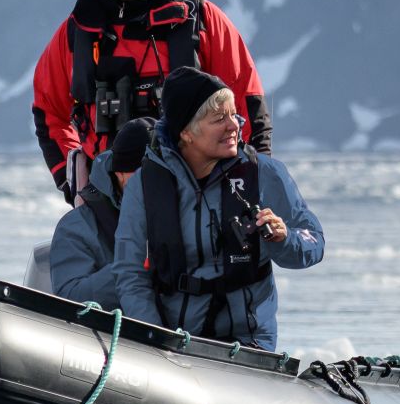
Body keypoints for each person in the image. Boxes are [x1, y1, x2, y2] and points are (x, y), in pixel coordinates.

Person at [31, 0, 274, 204]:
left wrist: (250, 183)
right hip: (108, 198)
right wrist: (72, 180)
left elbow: (247, 102)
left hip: (198, 195)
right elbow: (48, 110)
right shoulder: (80, 29)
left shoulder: (201, 19)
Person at [113, 68, 323, 351]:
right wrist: (155, 338)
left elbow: (315, 243)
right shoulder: (144, 185)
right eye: (219, 119)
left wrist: (285, 239)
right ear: (186, 132)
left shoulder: (264, 173)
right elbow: (130, 272)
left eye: (234, 114)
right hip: (173, 341)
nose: (234, 125)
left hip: (249, 344)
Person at [48, 116, 154, 309]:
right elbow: (70, 297)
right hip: (116, 334)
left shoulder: (189, 209)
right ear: (119, 173)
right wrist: (135, 264)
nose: (153, 182)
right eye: (143, 172)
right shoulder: (77, 227)